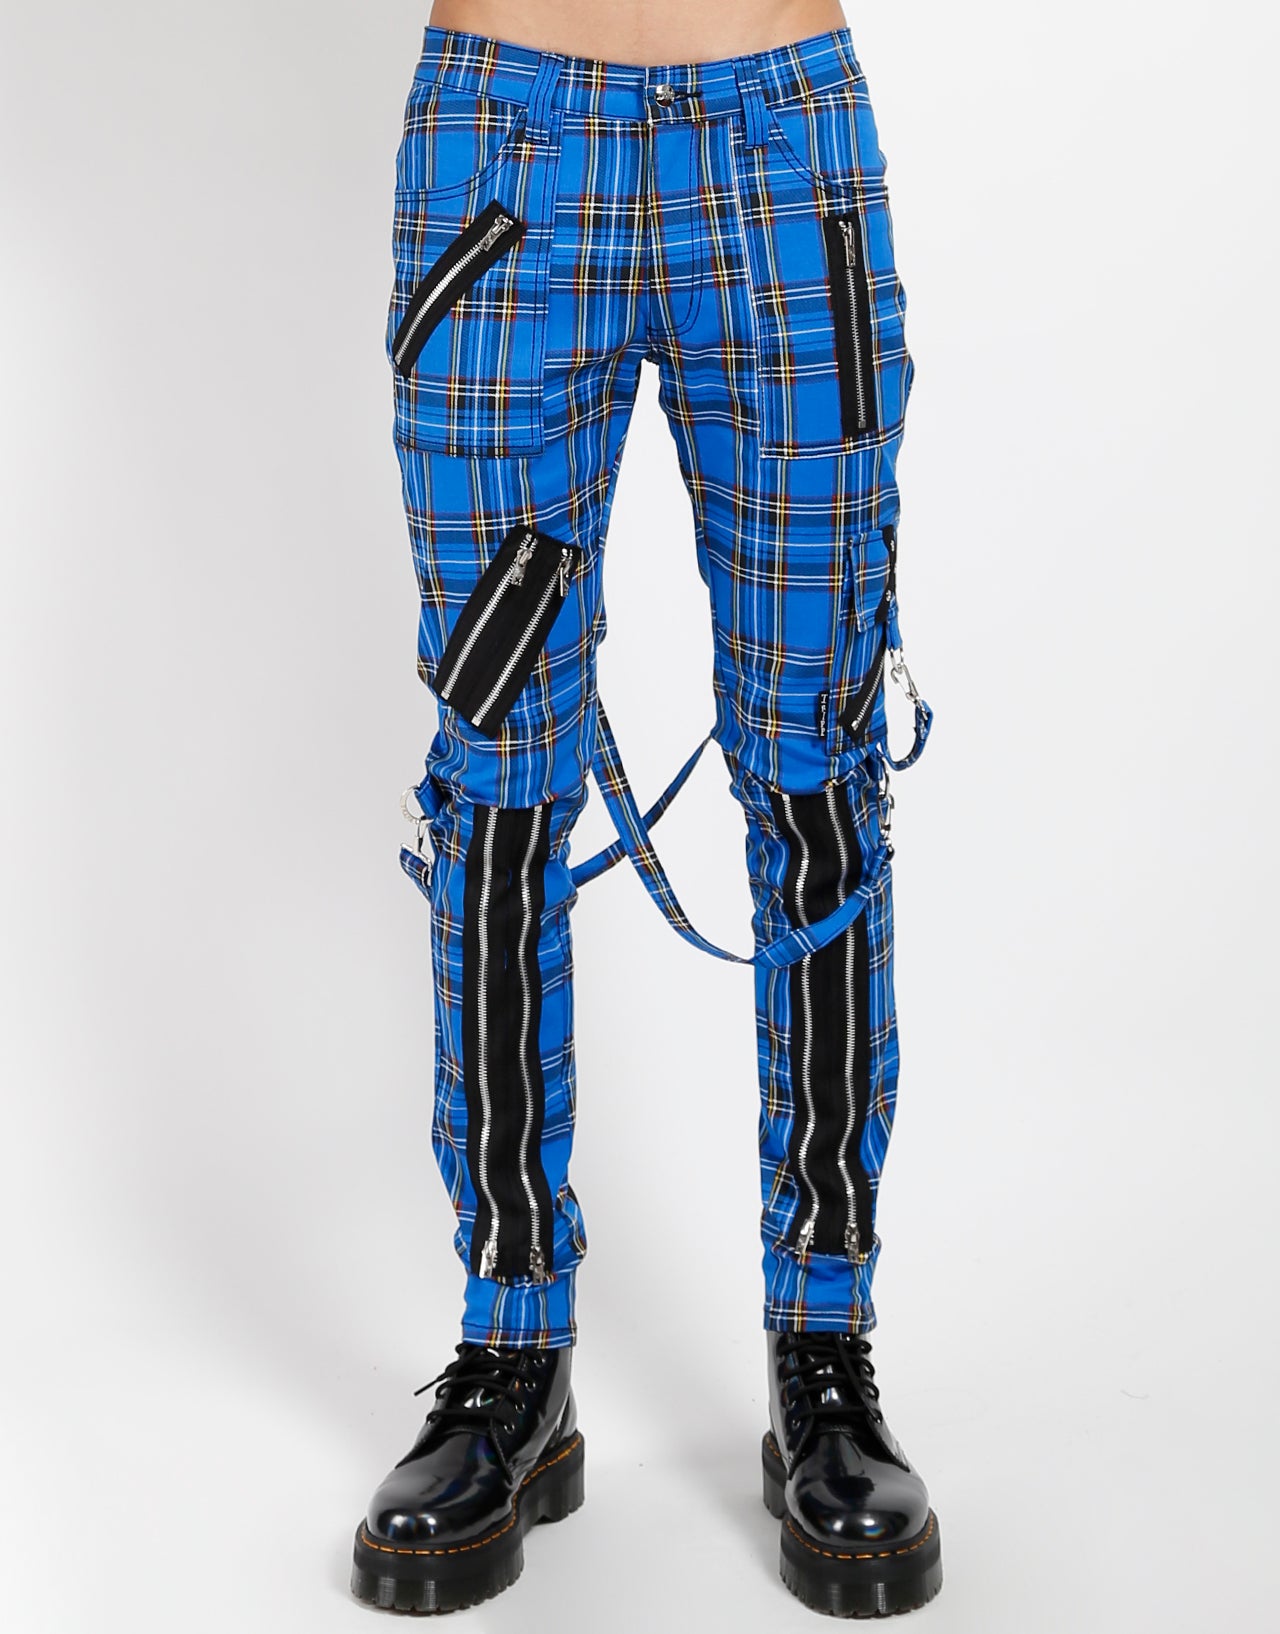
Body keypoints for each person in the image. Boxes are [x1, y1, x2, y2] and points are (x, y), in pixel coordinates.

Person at [351, 0, 941, 1618]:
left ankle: (824, 1340)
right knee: (497, 785)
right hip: (506, 150)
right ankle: (511, 1346)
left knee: (816, 767)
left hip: (780, 140)